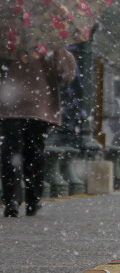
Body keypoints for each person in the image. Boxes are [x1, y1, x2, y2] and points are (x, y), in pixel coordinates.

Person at [1, 49, 77, 218]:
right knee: (35, 152)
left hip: (11, 104)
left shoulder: (10, 36)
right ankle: (33, 199)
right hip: (39, 105)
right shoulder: (48, 39)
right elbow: (67, 74)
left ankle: (11, 199)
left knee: (11, 151)